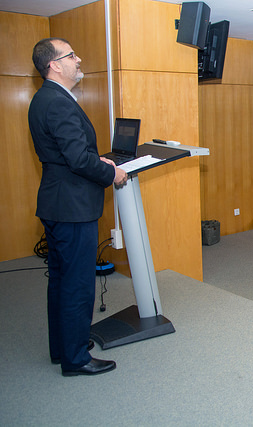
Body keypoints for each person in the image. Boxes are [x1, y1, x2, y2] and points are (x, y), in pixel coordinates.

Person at [28, 38, 127, 376]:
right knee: (77, 284)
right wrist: (111, 172)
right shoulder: (58, 102)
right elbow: (76, 159)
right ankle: (76, 359)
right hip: (72, 207)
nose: (78, 59)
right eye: (71, 55)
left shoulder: (47, 98)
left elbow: (67, 154)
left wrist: (93, 159)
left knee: (60, 279)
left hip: (58, 202)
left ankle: (63, 347)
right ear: (54, 65)